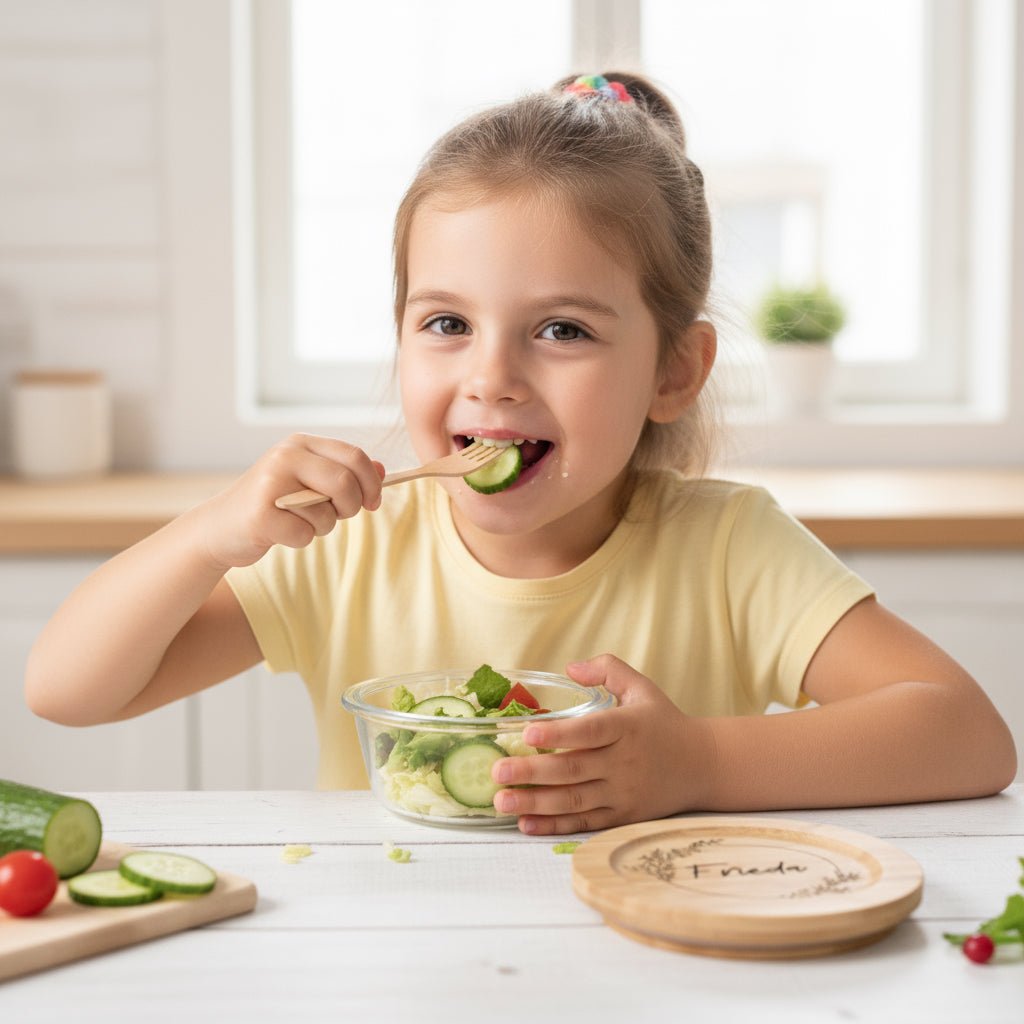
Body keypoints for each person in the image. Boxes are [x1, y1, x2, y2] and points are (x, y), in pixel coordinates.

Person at [25, 72, 1016, 835]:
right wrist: (209, 535)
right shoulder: (351, 547)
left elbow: (968, 734)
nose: (490, 376)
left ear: (674, 370)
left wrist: (696, 763)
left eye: (562, 331)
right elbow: (67, 691)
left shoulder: (729, 550)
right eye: (447, 321)